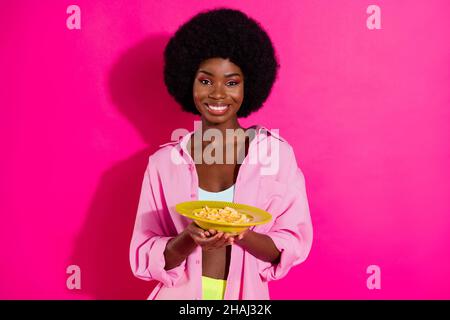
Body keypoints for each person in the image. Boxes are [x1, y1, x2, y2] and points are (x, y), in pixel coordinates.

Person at [129, 7, 313, 300]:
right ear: (188, 82)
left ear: (248, 85)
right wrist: (188, 239)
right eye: (205, 80)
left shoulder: (275, 156)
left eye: (231, 82)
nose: (217, 93)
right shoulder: (164, 164)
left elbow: (290, 244)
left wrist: (243, 234)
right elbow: (144, 253)